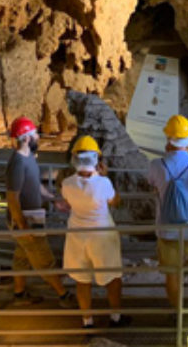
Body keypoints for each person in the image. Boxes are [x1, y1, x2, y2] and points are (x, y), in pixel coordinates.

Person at [60, 136, 132, 328]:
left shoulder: (67, 184)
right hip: (102, 236)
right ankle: (115, 317)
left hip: (77, 236)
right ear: (97, 160)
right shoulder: (103, 183)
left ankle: (87, 321)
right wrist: (105, 176)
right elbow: (115, 201)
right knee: (112, 277)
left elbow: (68, 201)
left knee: (82, 281)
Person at [4, 116, 74, 307]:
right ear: (26, 138)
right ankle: (64, 295)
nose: (38, 137)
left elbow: (35, 186)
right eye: (35, 134)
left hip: (32, 217)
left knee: (22, 257)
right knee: (44, 259)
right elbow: (13, 198)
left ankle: (19, 295)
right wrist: (22, 226)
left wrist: (54, 199)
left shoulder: (29, 159)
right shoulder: (18, 163)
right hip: (27, 221)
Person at [146, 115, 188, 307]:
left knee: (172, 274)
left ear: (168, 139)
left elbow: (152, 185)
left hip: (167, 230)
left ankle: (177, 313)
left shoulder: (156, 165)